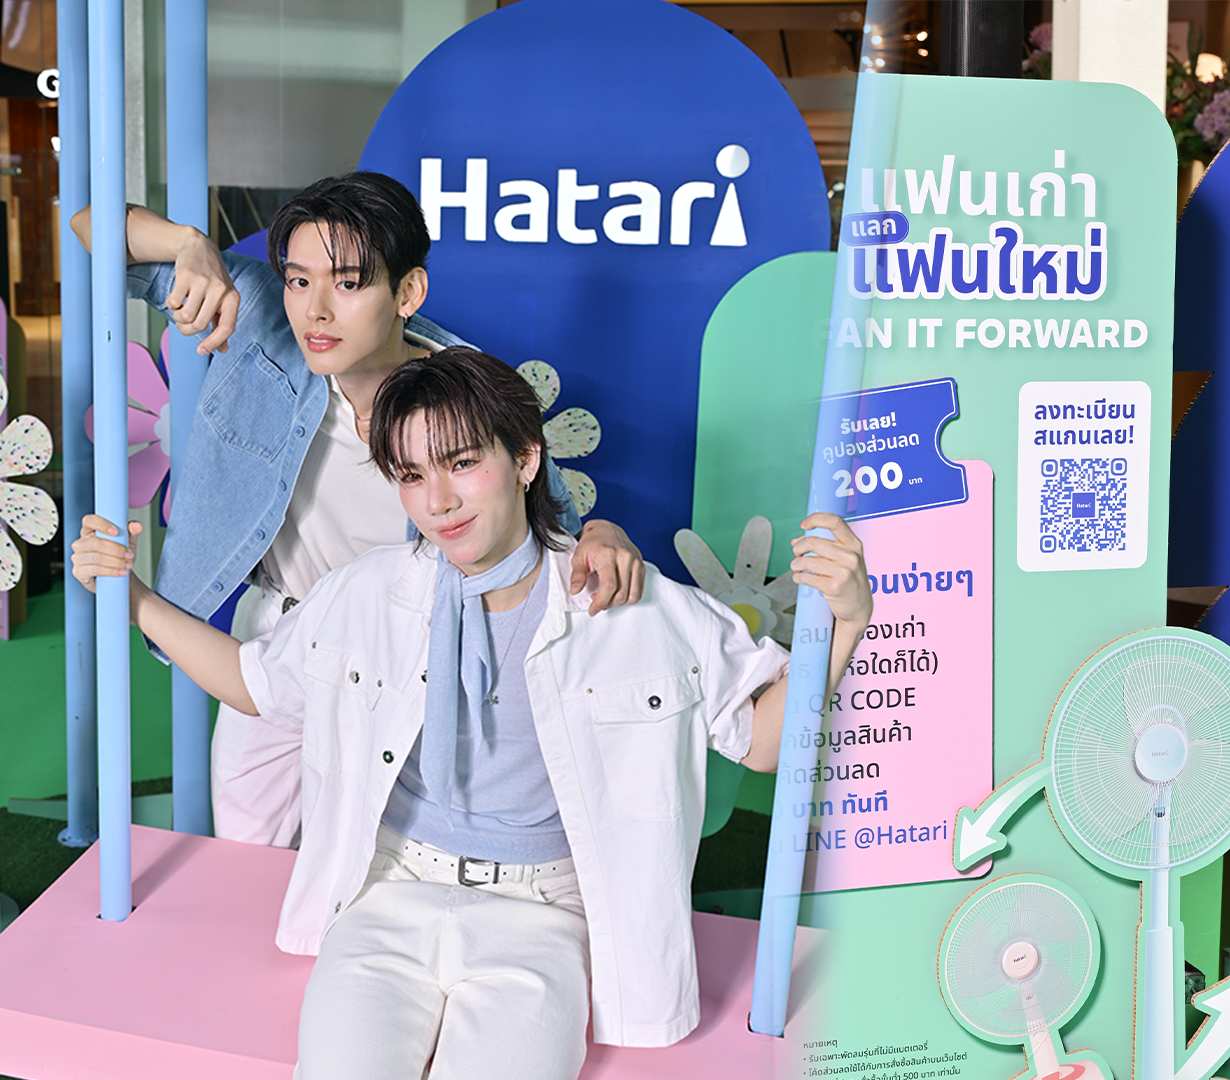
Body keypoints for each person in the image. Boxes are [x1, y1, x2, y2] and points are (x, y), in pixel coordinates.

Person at [70, 346, 874, 1076]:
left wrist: (844, 625)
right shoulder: (369, 591)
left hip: (544, 913)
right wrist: (134, 599)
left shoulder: (632, 602)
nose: (439, 500)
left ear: (524, 458)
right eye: (412, 475)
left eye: (462, 464)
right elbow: (258, 684)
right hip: (389, 891)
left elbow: (763, 741)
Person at [75, 174, 646, 844]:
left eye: (348, 283)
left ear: (408, 292)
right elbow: (87, 226)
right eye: (298, 280)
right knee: (246, 859)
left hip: (400, 660)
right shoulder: (254, 310)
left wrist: (605, 530)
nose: (315, 311)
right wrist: (189, 244)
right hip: (274, 647)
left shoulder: (468, 392)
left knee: (380, 867)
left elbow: (553, 522)